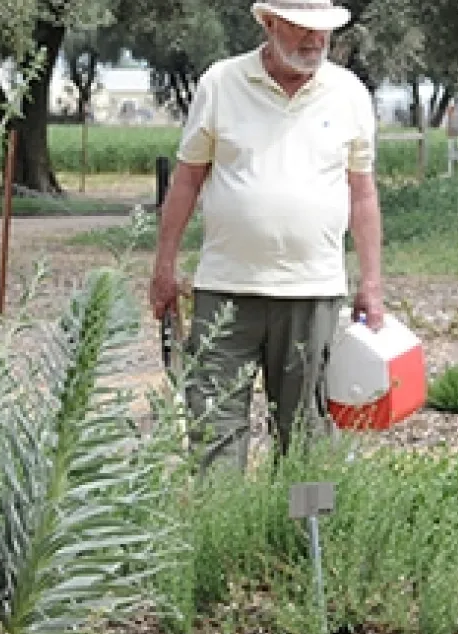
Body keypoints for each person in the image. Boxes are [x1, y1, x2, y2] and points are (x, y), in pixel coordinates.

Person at [149, 0, 387, 474]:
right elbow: (187, 180)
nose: (316, 40)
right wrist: (164, 268)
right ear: (270, 23)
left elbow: (362, 194)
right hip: (226, 289)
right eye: (303, 29)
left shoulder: (349, 93)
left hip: (312, 291)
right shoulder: (221, 83)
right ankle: (218, 541)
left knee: (305, 439)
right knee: (213, 428)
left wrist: (372, 282)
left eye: (324, 30)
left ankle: (303, 547)